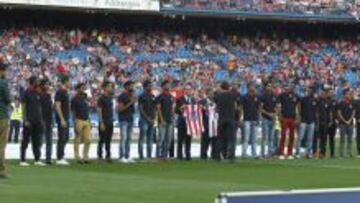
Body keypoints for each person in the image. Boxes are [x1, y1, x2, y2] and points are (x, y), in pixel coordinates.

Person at [20, 76, 45, 166]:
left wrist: (41, 119)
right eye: (37, 81)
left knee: (37, 141)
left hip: (38, 120)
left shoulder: (38, 92)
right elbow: (23, 107)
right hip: (29, 120)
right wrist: (25, 119)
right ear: (33, 82)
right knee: (25, 140)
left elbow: (40, 106)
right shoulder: (26, 92)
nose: (38, 83)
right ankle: (22, 160)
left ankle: (37, 159)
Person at [214, 81, 237, 161]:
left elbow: (216, 102)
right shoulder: (232, 95)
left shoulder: (218, 96)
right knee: (231, 139)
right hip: (230, 118)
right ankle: (231, 156)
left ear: (221, 87)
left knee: (220, 138)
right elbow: (235, 106)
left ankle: (217, 156)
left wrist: (216, 90)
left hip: (222, 118)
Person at [71, 83, 91, 164]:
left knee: (88, 140)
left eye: (84, 88)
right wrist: (74, 122)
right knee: (78, 138)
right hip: (78, 120)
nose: (83, 89)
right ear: (78, 89)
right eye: (82, 88)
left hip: (86, 120)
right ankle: (77, 156)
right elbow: (73, 111)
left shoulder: (85, 97)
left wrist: (89, 120)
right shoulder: (74, 99)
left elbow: (87, 109)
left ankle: (85, 157)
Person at [117, 81, 136, 163]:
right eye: (131, 86)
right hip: (123, 119)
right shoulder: (122, 96)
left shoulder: (130, 95)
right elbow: (119, 109)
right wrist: (131, 102)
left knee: (128, 139)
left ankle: (127, 156)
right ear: (127, 87)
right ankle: (121, 156)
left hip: (130, 119)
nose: (133, 87)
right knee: (123, 138)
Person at [296, 88, 317, 159]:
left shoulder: (315, 100)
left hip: (311, 121)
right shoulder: (303, 99)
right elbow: (298, 105)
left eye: (311, 91)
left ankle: (308, 153)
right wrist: (299, 115)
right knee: (300, 137)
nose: (309, 92)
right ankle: (297, 153)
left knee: (310, 138)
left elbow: (316, 111)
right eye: (308, 91)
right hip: (303, 120)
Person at [156, 80, 175, 160]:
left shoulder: (171, 96)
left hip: (170, 120)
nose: (169, 86)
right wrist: (162, 119)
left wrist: (172, 116)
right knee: (161, 139)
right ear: (163, 86)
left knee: (168, 139)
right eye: (167, 85)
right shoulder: (160, 97)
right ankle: (158, 155)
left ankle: (165, 155)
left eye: (169, 85)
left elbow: (172, 108)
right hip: (163, 121)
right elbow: (158, 109)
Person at [278, 84, 298, 160]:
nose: (292, 88)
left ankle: (290, 153)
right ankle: (281, 153)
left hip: (293, 118)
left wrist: (298, 116)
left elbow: (298, 106)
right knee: (283, 135)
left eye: (293, 87)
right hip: (285, 117)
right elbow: (279, 105)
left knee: (292, 136)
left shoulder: (296, 96)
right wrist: (280, 115)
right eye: (291, 87)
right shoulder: (282, 95)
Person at [240, 84, 260, 158]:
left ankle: (254, 153)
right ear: (248, 88)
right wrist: (241, 118)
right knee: (246, 137)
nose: (253, 88)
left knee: (254, 138)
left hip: (254, 119)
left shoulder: (257, 97)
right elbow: (241, 108)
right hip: (246, 119)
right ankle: (244, 153)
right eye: (252, 87)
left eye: (254, 87)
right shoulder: (244, 97)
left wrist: (258, 118)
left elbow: (259, 108)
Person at [97, 81, 114, 162]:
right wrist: (101, 122)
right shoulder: (101, 98)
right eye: (109, 86)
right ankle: (100, 156)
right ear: (104, 88)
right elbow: (99, 111)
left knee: (108, 140)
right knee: (102, 140)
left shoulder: (110, 98)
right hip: (104, 122)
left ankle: (108, 155)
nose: (111, 88)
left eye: (111, 86)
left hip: (110, 121)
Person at [55, 75, 71, 165]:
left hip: (66, 117)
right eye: (68, 81)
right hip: (62, 118)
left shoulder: (65, 92)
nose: (69, 83)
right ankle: (59, 157)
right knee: (62, 137)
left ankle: (61, 155)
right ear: (65, 82)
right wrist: (62, 119)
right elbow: (57, 106)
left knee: (66, 137)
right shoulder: (60, 92)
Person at [138, 80, 156, 159]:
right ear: (145, 87)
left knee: (150, 138)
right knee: (142, 138)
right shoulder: (141, 96)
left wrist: (154, 118)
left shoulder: (152, 96)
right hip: (144, 120)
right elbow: (141, 109)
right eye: (149, 86)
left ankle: (149, 155)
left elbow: (155, 108)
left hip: (152, 119)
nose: (151, 87)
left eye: (151, 86)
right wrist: (147, 118)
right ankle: (141, 155)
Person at [176, 85, 194, 161]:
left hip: (190, 122)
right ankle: (179, 155)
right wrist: (181, 108)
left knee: (188, 139)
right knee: (180, 139)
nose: (188, 91)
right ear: (184, 91)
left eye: (189, 90)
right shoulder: (180, 99)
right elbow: (176, 110)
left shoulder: (193, 100)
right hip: (182, 121)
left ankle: (188, 154)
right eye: (187, 90)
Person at [260, 83, 278, 158]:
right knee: (265, 137)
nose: (269, 88)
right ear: (266, 88)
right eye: (268, 86)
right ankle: (262, 153)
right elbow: (260, 108)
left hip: (272, 119)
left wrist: (275, 113)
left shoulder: (274, 96)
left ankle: (269, 153)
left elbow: (277, 107)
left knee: (271, 138)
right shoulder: (262, 97)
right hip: (265, 119)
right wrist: (268, 114)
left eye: (270, 86)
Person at [0, 62, 11, 178]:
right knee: (1, 145)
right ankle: (1, 170)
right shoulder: (3, 83)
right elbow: (8, 99)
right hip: (2, 116)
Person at [338, 89, 355, 158]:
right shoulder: (341, 103)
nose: (349, 95)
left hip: (350, 123)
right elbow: (339, 113)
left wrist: (350, 120)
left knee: (350, 138)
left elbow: (353, 113)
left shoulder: (352, 103)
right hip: (342, 123)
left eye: (349, 94)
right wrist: (345, 121)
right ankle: (341, 153)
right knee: (342, 139)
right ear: (344, 95)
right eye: (347, 94)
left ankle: (349, 152)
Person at [317, 87, 334, 159]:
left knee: (324, 138)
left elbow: (330, 112)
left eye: (324, 93)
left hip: (325, 122)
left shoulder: (328, 102)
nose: (323, 95)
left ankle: (322, 153)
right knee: (319, 138)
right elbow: (316, 112)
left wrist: (330, 121)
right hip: (319, 122)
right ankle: (318, 152)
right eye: (322, 93)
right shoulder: (318, 101)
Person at [39, 78, 53, 164]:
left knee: (49, 141)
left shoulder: (48, 95)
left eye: (48, 84)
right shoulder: (40, 95)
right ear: (42, 85)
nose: (48, 86)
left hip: (49, 120)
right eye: (46, 84)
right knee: (40, 140)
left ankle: (48, 158)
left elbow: (50, 109)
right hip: (42, 120)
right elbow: (39, 109)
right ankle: (38, 158)